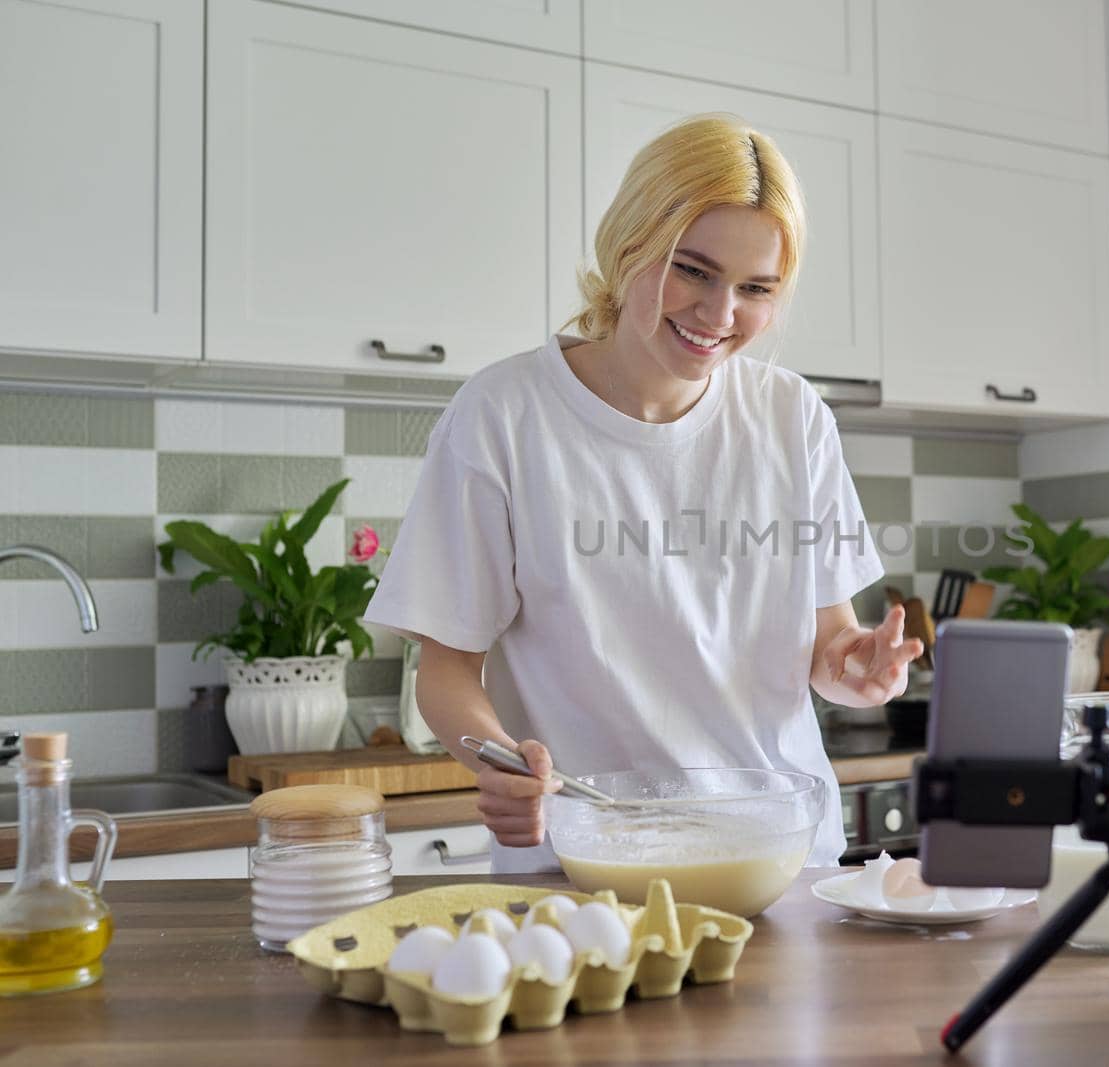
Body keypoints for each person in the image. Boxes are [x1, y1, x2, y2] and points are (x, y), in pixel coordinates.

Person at [362, 114, 922, 873]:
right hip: (584, 865)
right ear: (630, 244)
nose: (720, 315)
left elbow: (827, 646)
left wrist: (858, 667)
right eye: (692, 270)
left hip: (779, 864)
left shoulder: (793, 419)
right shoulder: (505, 413)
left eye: (755, 288)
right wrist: (495, 758)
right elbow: (447, 667)